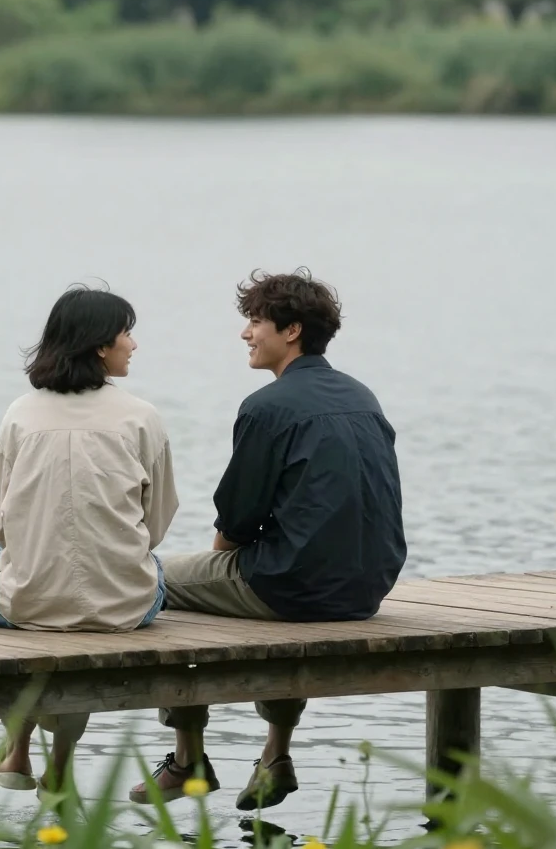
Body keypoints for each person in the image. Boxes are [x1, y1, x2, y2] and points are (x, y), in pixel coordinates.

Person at [130, 269, 405, 809]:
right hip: (369, 585)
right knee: (269, 580)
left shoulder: (268, 406)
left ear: (292, 331)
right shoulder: (362, 396)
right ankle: (275, 755)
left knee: (153, 580)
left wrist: (220, 564)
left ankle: (187, 759)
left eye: (256, 321)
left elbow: (237, 519)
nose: (246, 333)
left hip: (292, 585)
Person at [0, 286, 178, 793]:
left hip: (27, 605)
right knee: (146, 571)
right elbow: (157, 524)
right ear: (101, 345)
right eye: (126, 333)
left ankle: (17, 749)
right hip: (124, 608)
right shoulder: (141, 417)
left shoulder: (21, 414)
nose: (133, 345)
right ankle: (57, 765)